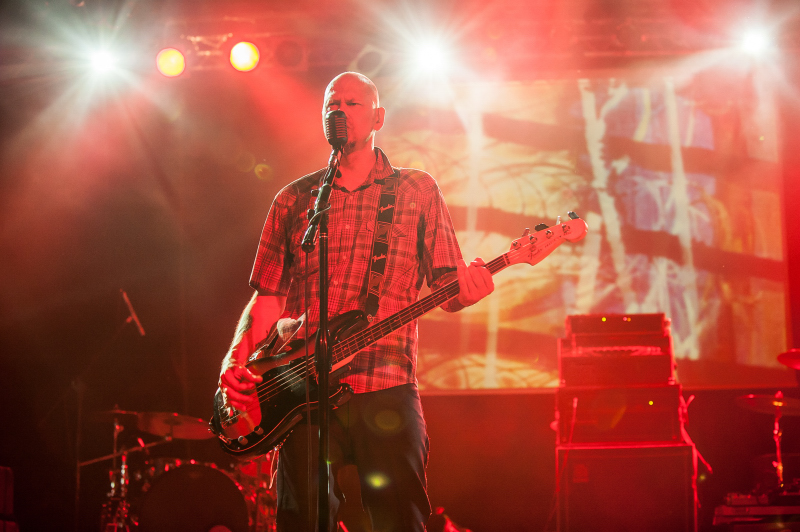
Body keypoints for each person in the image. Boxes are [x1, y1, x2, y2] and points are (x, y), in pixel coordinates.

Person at [218, 71, 494, 532]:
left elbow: (448, 285)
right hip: (298, 388)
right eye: (331, 104)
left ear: (378, 117)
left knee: (398, 517)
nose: (338, 111)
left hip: (384, 383)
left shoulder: (416, 190)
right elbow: (267, 297)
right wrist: (235, 362)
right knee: (302, 519)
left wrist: (467, 291)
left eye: (351, 103)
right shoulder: (294, 199)